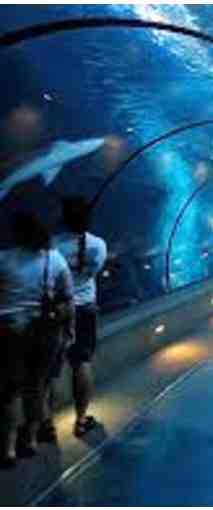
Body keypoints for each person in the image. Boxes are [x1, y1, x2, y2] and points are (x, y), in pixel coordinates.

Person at [0, 211, 74, 468]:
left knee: (8, 392)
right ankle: (30, 440)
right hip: (45, 331)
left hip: (10, 332)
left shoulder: (4, 259)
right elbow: (68, 297)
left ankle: (8, 448)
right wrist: (70, 329)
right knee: (36, 387)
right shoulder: (55, 259)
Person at [52, 196, 107, 438]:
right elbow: (94, 272)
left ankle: (45, 424)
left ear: (64, 218)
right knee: (81, 362)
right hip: (84, 308)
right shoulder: (98, 245)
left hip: (59, 310)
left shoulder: (53, 246)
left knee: (49, 369)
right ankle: (81, 420)